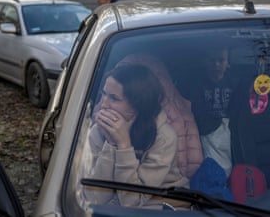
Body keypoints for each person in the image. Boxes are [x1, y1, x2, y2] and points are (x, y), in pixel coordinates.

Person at [84, 64, 189, 208]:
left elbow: (132, 201)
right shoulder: (99, 131)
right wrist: (111, 144)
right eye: (104, 94)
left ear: (137, 105)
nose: (103, 105)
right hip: (115, 206)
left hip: (162, 202)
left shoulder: (164, 138)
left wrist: (124, 146)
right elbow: (96, 199)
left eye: (114, 98)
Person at [189, 46, 234, 177]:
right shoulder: (194, 85)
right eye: (212, 60)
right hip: (205, 135)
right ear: (204, 62)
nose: (216, 64)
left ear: (228, 63)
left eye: (221, 60)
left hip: (229, 136)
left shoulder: (235, 83)